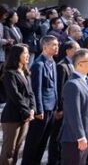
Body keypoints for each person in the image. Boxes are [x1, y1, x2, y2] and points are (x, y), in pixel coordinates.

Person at [21, 35, 59, 165]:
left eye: (57, 44)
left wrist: (56, 107)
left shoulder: (53, 62)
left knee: (43, 142)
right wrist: (38, 110)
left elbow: (54, 88)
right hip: (41, 111)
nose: (56, 47)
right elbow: (36, 90)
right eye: (53, 45)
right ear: (45, 46)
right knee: (34, 142)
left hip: (51, 108)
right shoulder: (39, 65)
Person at [59, 49, 88, 165]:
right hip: (74, 138)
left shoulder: (86, 80)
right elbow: (74, 114)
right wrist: (81, 136)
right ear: (80, 64)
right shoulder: (73, 84)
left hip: (86, 135)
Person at [1, 44, 34, 165]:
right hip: (12, 117)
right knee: (8, 151)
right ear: (17, 55)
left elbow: (31, 94)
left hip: (25, 116)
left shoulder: (25, 72)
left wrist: (32, 109)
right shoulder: (10, 73)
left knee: (16, 151)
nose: (28, 55)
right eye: (25, 53)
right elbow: (15, 95)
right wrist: (27, 111)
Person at [49, 40, 78, 165]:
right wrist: (60, 108)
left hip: (70, 108)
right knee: (56, 137)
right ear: (68, 50)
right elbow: (60, 88)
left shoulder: (73, 65)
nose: (79, 51)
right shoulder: (62, 66)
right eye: (76, 49)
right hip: (62, 109)